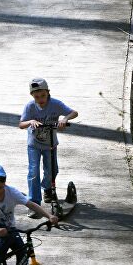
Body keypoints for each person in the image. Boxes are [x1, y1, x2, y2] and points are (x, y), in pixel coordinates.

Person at [19, 78, 78, 218]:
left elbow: (74, 113)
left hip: (50, 144)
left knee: (52, 170)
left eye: (43, 95)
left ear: (48, 93)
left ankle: (47, 188)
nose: (40, 99)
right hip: (33, 144)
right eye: (36, 96)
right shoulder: (30, 107)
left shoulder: (56, 104)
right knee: (33, 172)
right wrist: (30, 121)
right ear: (32, 96)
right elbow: (21, 124)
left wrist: (65, 119)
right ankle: (34, 202)